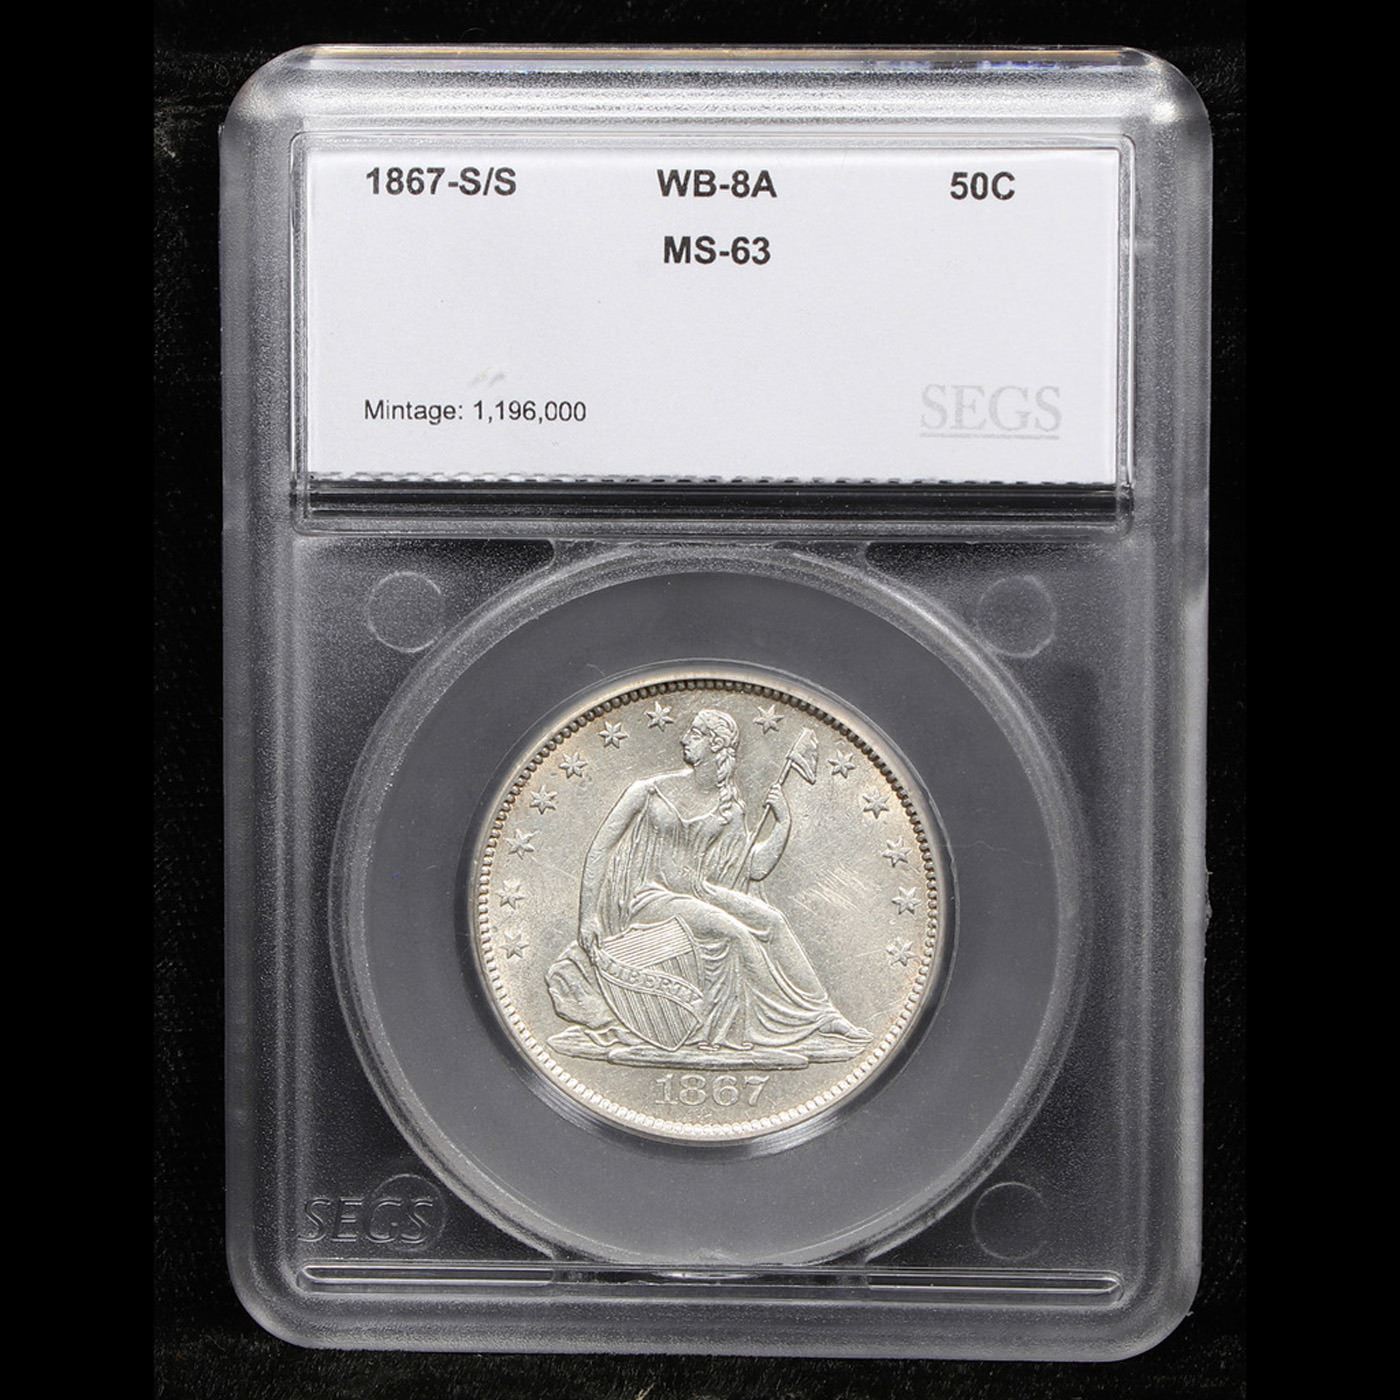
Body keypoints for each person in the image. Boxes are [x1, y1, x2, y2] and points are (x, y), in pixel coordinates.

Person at [550, 707, 869, 1055]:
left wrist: (782, 824)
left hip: (699, 892)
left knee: (773, 920)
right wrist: (588, 916)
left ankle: (823, 1015)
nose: (684, 739)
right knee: (735, 932)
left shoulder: (728, 807)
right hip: (649, 898)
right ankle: (789, 1025)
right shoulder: (647, 791)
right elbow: (601, 848)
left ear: (715, 745)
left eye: (695, 733)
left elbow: (754, 867)